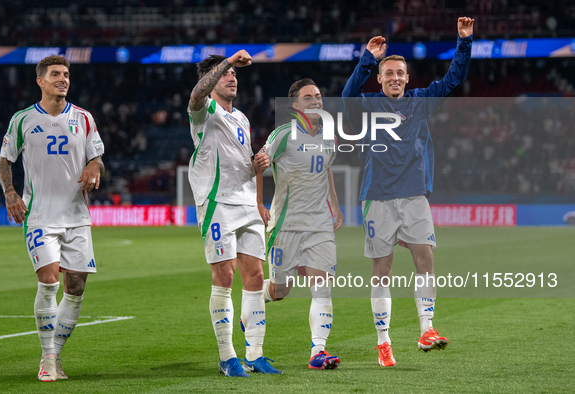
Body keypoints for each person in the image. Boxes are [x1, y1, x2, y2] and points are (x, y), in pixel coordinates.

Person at [342, 17, 474, 367]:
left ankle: (427, 329)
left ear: (407, 77)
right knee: (382, 269)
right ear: (381, 78)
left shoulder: (420, 100)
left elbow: (454, 79)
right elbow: (346, 96)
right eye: (389, 73)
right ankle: (384, 342)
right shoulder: (368, 105)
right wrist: (367, 59)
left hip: (414, 194)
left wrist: (464, 41)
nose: (396, 78)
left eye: (401, 73)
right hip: (378, 197)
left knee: (426, 259)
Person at [0, 55, 105, 381]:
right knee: (48, 280)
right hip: (39, 215)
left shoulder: (84, 118)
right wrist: (10, 192)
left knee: (75, 288)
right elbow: (5, 161)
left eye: (66, 74)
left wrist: (93, 165)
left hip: (76, 216)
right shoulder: (22, 119)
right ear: (40, 80)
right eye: (56, 73)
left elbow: (98, 159)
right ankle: (47, 357)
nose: (63, 78)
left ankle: (56, 354)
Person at [187, 52, 281, 377]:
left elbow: (246, 163)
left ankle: (255, 354)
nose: (232, 78)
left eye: (234, 75)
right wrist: (227, 61)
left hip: (246, 204)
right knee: (225, 275)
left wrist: (258, 180)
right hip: (218, 202)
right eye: (225, 74)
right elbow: (197, 94)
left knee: (254, 275)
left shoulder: (242, 118)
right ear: (211, 78)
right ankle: (227, 356)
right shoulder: (203, 111)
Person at [257, 78, 344, 370]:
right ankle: (252, 303)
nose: (316, 101)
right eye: (308, 98)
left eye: (318, 96)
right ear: (295, 106)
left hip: (319, 225)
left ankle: (318, 352)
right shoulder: (283, 135)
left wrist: (335, 205)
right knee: (281, 290)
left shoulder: (329, 134)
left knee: (322, 288)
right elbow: (258, 163)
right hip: (286, 226)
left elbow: (327, 167)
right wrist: (258, 202)